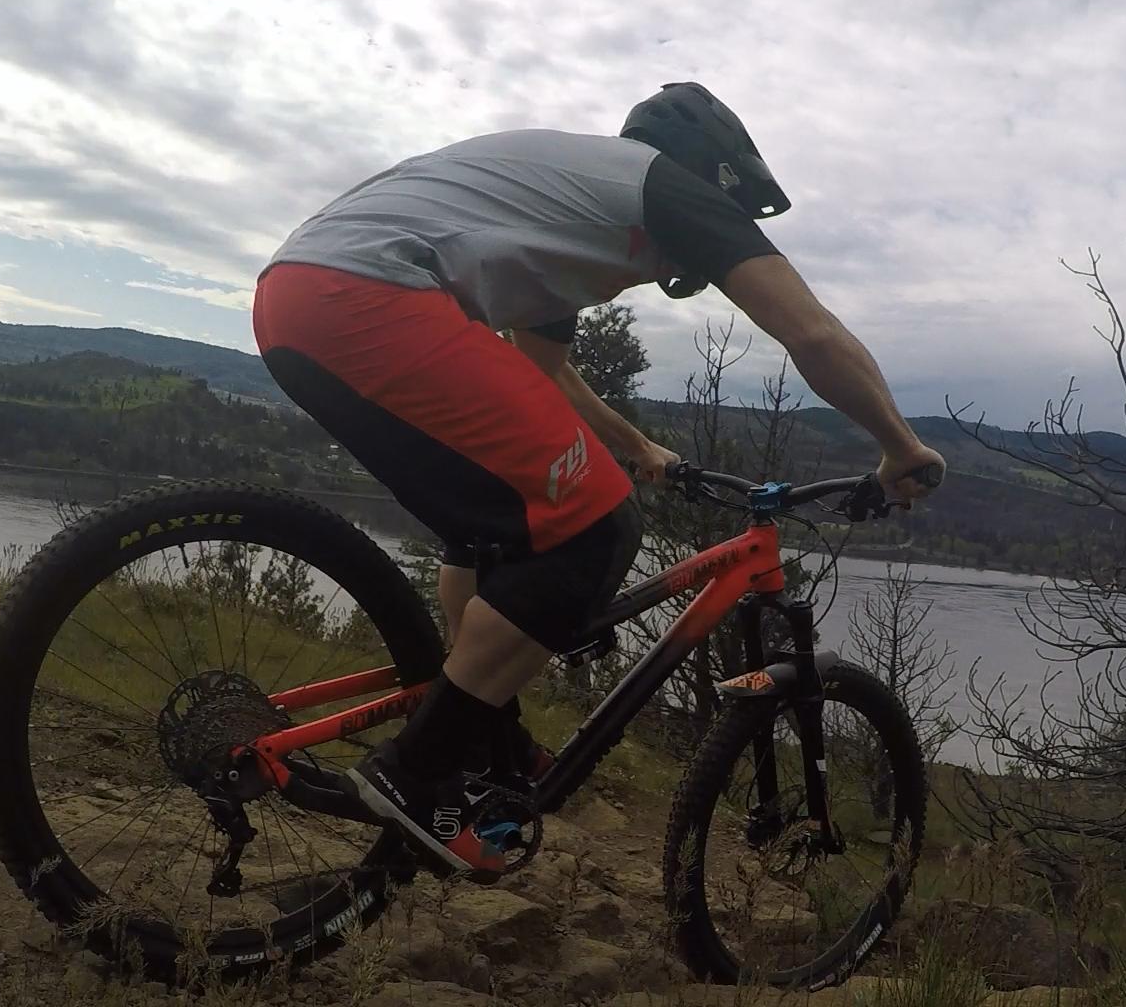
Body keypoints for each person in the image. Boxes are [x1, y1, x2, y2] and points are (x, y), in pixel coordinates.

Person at [252, 82, 945, 879]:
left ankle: (484, 745)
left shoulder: (567, 208)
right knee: (600, 528)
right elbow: (812, 334)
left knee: (498, 534)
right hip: (369, 296)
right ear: (712, 173)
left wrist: (638, 445)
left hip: (296, 300)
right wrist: (899, 445)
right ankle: (417, 773)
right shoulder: (667, 187)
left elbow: (543, 376)